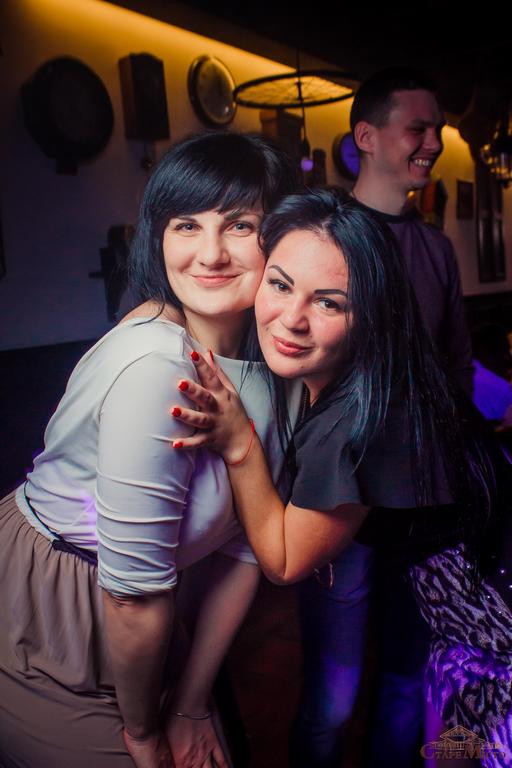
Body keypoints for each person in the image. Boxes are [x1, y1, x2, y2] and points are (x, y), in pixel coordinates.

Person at [170, 189, 512, 768]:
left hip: (495, 639)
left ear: (370, 315)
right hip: (472, 629)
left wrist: (237, 442)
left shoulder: (359, 419)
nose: (292, 319)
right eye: (280, 285)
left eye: (329, 303)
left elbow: (283, 561)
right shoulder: (381, 374)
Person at [0, 131, 301, 768]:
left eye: (240, 225)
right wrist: (144, 734)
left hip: (150, 614)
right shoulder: (159, 367)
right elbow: (131, 594)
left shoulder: (276, 365)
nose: (210, 253)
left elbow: (245, 548)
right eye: (186, 225)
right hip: (43, 612)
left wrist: (190, 702)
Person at [285, 67, 475, 768]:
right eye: (418, 128)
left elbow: (457, 368)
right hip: (341, 505)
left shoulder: (436, 249)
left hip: (423, 508)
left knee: (404, 684)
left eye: (438, 129)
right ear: (366, 136)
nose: (434, 143)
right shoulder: (324, 240)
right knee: (332, 700)